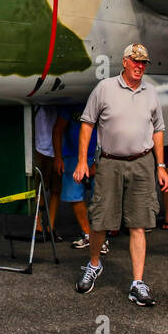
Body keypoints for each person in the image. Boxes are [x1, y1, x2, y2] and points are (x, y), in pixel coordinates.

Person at [73, 43, 168, 307]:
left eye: (144, 63)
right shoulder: (104, 88)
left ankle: (137, 282)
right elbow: (87, 124)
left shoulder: (150, 93)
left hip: (142, 162)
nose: (140, 66)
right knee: (100, 220)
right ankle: (94, 264)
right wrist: (82, 161)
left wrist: (161, 167)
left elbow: (158, 130)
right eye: (136, 61)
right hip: (109, 162)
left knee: (139, 223)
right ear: (125, 62)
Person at [52, 105, 95, 249]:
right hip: (72, 157)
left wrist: (99, 159)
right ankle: (88, 234)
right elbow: (58, 130)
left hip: (96, 156)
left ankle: (101, 237)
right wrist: (58, 157)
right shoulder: (70, 103)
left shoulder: (100, 100)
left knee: (102, 199)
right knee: (73, 196)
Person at [33, 104, 62, 237]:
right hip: (40, 148)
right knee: (39, 188)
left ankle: (51, 225)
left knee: (56, 189)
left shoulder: (62, 103)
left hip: (58, 150)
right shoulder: (38, 103)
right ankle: (38, 223)